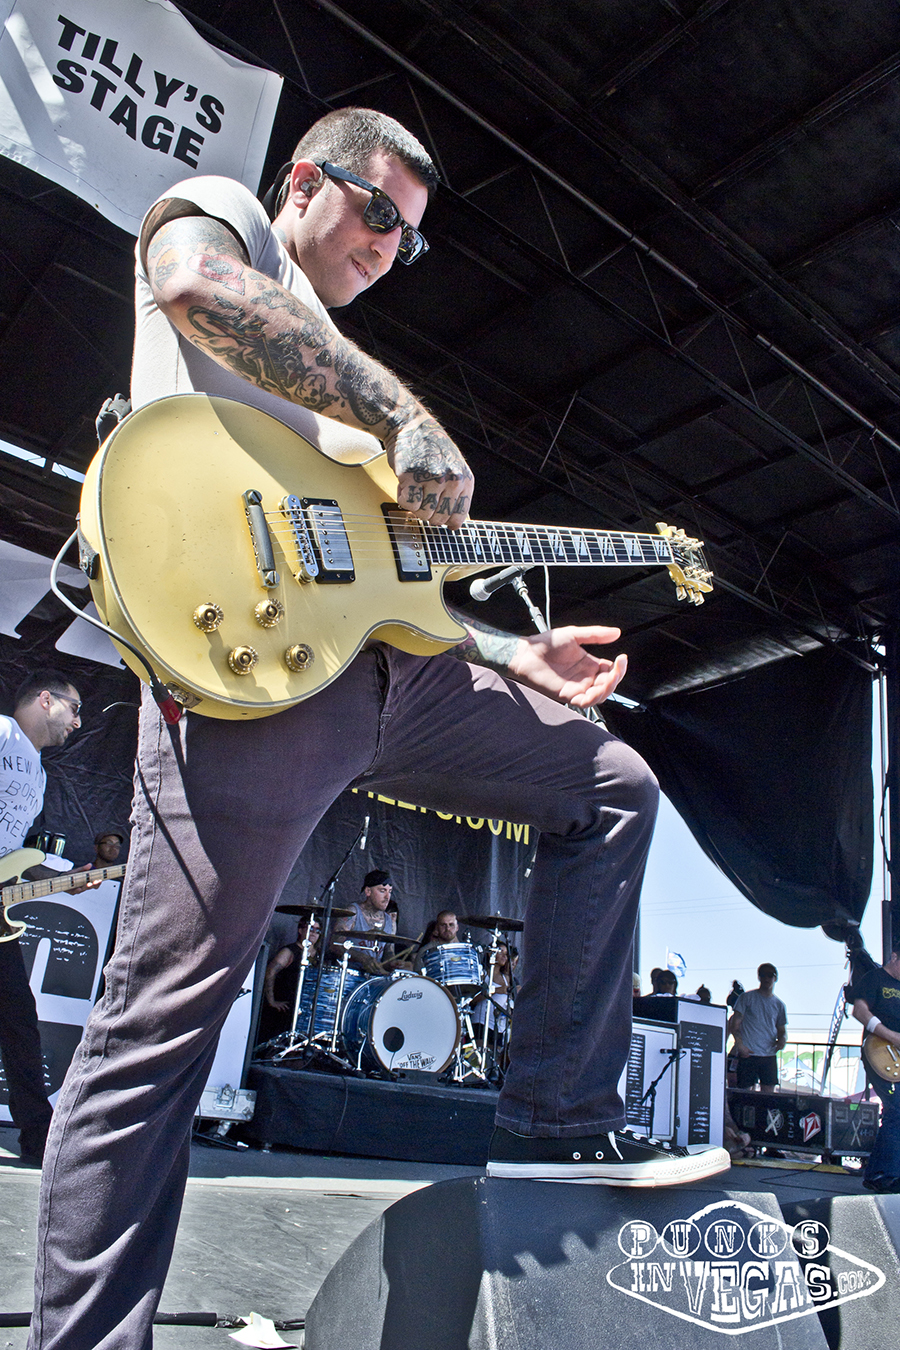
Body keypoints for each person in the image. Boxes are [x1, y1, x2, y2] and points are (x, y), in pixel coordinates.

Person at [29, 107, 728, 1350]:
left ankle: (558, 1120)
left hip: (395, 679)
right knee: (160, 1028)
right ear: (304, 181)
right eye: (376, 214)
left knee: (613, 782)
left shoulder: (335, 417)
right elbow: (193, 284)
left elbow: (391, 588)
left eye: (409, 239)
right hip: (247, 679)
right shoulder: (231, 224)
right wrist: (404, 415)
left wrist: (515, 653)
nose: (388, 247)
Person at [0, 671, 83, 1166]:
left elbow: (14, 856)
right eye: (74, 709)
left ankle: (38, 1138)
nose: (78, 721)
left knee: (19, 1022)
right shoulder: (1, 733)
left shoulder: (39, 774)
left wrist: (64, 879)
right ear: (46, 700)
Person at [850, 946, 900, 1193]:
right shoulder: (874, 978)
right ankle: (888, 1174)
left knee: (895, 1111)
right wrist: (892, 1036)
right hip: (879, 1050)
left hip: (897, 1055)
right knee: (896, 1109)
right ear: (894, 957)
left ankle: (876, 1173)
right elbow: (859, 1011)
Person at [259, 915, 321, 1044]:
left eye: (317, 930)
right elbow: (270, 972)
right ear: (300, 930)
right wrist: (271, 1000)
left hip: (306, 1011)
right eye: (311, 928)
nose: (314, 933)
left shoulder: (320, 955)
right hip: (286, 1008)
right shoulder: (289, 951)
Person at [727, 962, 788, 1090]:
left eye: (770, 975)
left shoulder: (779, 1005)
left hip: (769, 1055)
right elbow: (734, 1025)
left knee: (768, 1094)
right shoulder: (746, 998)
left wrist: (782, 1040)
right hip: (748, 1054)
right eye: (763, 975)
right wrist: (740, 1045)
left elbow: (782, 1030)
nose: (766, 978)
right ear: (759, 977)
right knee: (744, 1093)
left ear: (775, 978)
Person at [330, 869, 397, 967]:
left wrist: (394, 963)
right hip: (349, 973)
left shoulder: (390, 921)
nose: (387, 897)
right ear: (368, 891)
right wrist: (361, 958)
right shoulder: (352, 913)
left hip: (374, 975)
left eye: (390, 892)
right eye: (382, 891)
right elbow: (335, 944)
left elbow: (389, 952)